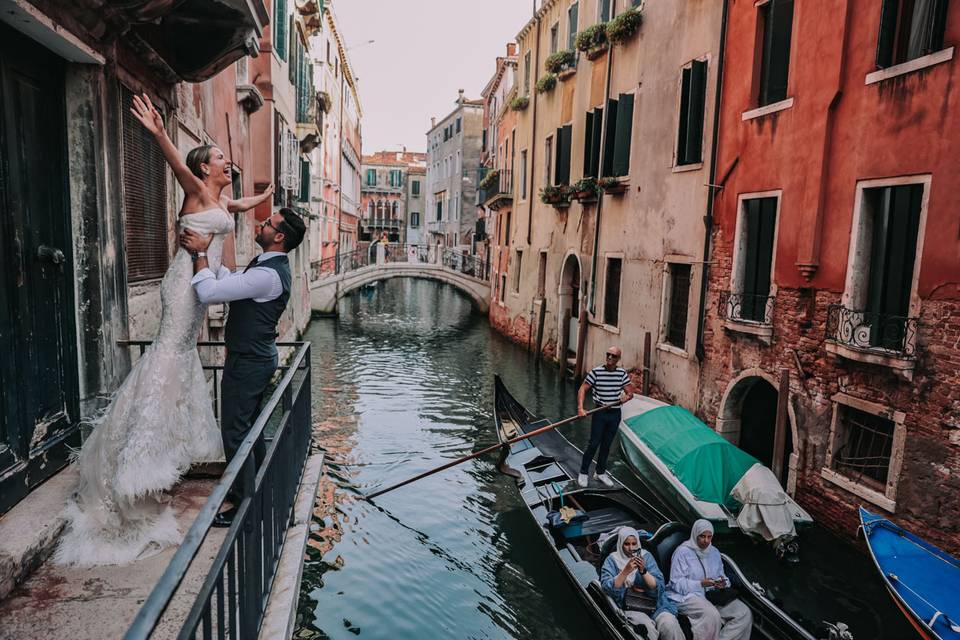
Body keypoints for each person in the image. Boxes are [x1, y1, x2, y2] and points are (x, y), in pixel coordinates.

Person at [55, 94, 275, 566]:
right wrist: (158, 131)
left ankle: (155, 452)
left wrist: (264, 195)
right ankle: (134, 464)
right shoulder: (195, 189)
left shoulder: (218, 199)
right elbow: (175, 159)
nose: (227, 162)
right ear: (204, 166)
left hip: (200, 287)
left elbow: (241, 203)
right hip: (183, 286)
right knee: (168, 352)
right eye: (220, 158)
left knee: (178, 356)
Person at [180, 206, 305, 527]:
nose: (261, 224)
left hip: (249, 362)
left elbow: (209, 293)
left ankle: (245, 507)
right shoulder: (266, 268)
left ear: (278, 237)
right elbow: (233, 283)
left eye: (268, 223)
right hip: (253, 358)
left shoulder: (267, 274)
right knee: (246, 432)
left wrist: (199, 255)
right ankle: (259, 490)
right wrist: (211, 258)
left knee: (236, 433)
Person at [667, 520, 752, 640]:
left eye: (709, 537)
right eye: (702, 536)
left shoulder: (714, 552)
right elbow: (676, 584)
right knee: (712, 615)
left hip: (712, 595)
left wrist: (723, 583)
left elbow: (722, 576)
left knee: (744, 613)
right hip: (687, 596)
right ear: (695, 534)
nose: (706, 541)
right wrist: (700, 584)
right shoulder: (682, 552)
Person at [601, 527, 684, 640]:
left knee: (670, 625)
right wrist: (625, 571)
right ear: (620, 544)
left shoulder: (647, 556)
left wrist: (643, 571)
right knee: (647, 629)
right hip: (630, 606)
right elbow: (607, 587)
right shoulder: (611, 560)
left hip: (655, 604)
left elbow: (658, 585)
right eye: (627, 544)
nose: (631, 548)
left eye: (634, 544)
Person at [577, 346, 633, 487]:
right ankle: (583, 472)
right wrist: (580, 408)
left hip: (615, 414)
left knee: (607, 445)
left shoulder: (621, 373)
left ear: (618, 359)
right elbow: (583, 389)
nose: (609, 357)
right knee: (594, 443)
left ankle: (600, 472)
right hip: (600, 412)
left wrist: (626, 398)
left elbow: (630, 393)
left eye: (613, 356)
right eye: (608, 354)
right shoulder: (596, 372)